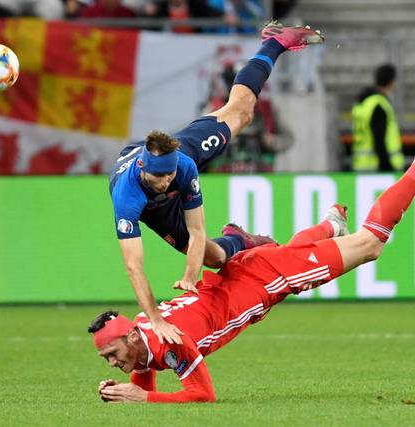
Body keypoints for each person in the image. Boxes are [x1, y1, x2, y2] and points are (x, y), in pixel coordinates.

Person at [90, 137, 415, 403]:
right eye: (107, 358)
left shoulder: (169, 341)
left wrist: (144, 397)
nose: (112, 362)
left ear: (131, 335)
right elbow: (144, 367)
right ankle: (329, 228)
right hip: (241, 276)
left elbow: (202, 395)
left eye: (112, 352)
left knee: (370, 246)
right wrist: (126, 393)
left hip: (262, 280)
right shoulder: (145, 331)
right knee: (289, 255)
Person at [108, 21, 324, 346]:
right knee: (215, 258)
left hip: (186, 149)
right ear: (142, 168)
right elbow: (133, 265)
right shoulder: (128, 196)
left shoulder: (183, 165)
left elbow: (196, 229)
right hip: (154, 210)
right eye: (159, 177)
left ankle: (275, 43)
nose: (166, 182)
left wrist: (189, 277)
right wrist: (155, 319)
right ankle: (236, 240)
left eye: (169, 176)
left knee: (241, 112)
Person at [351, 63, 404, 172]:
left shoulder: (363, 102)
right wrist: (387, 167)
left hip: (361, 163)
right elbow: (379, 139)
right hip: (377, 167)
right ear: (391, 82)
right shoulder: (379, 105)